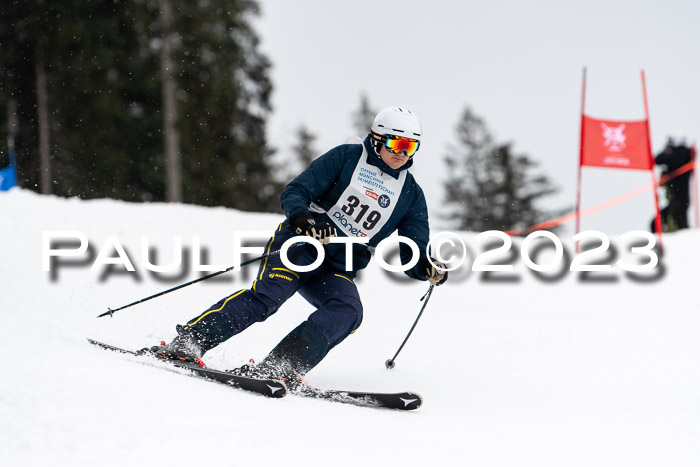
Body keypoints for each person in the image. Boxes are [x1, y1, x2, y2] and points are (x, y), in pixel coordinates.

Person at [150, 107, 448, 388]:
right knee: (268, 297)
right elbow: (296, 191)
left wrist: (426, 268)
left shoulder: (410, 194)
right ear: (377, 138)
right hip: (301, 246)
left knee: (348, 311)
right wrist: (304, 219)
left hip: (336, 267)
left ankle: (282, 366)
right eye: (397, 144)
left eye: (409, 147)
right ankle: (190, 341)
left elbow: (413, 251)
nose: (401, 154)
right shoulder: (346, 158)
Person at [651, 133, 694, 232]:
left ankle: (689, 241)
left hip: (680, 198)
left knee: (680, 224)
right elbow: (657, 160)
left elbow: (666, 159)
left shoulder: (684, 154)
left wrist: (667, 151)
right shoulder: (676, 156)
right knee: (657, 223)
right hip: (675, 199)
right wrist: (666, 151)